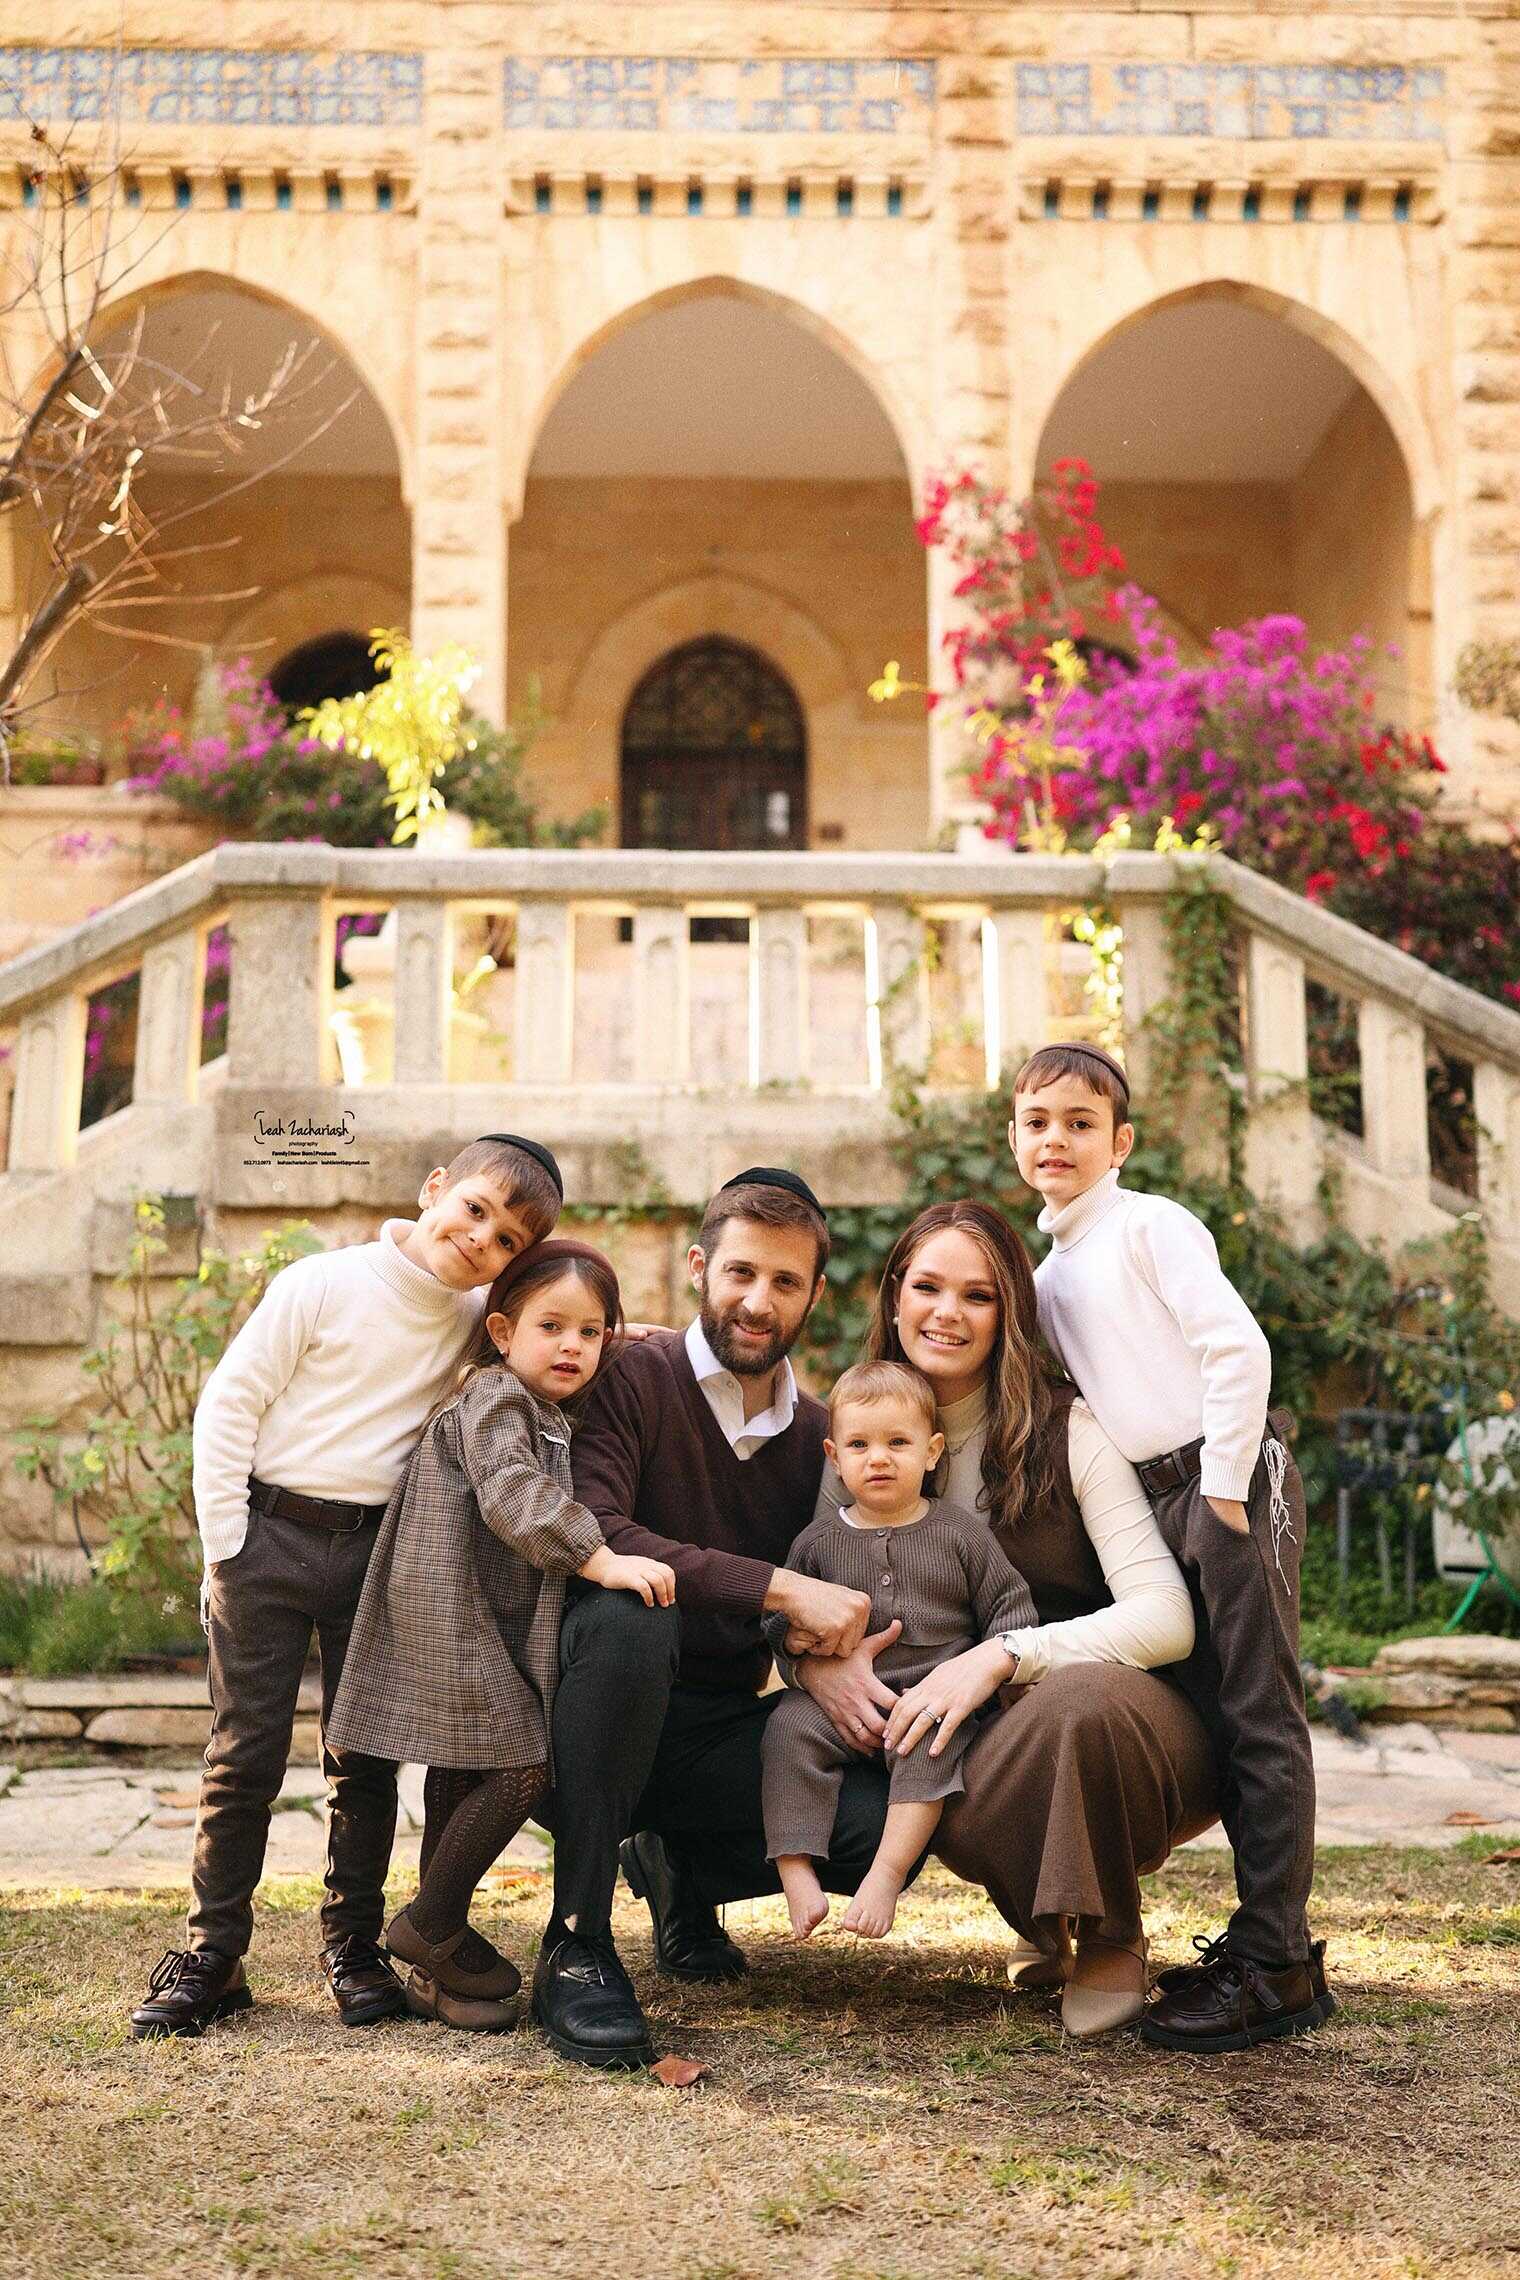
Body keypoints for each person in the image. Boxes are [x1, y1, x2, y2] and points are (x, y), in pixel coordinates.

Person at [129, 1134, 563, 2041]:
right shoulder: (322, 1283)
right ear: (435, 1188)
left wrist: (635, 1338)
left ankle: (353, 1949)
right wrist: (227, 1546)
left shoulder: (472, 1317)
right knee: (243, 1757)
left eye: (507, 1240)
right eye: (475, 1209)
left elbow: (550, 1327)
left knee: (362, 1761)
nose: (480, 1239)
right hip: (268, 1541)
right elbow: (231, 1402)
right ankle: (213, 1955)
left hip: (378, 1556)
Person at [800, 1198, 1203, 2034]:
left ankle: (1111, 1935)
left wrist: (999, 1655)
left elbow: (1167, 1617)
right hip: (971, 1730)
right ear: (895, 1297)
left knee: (1073, 1705)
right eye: (927, 1287)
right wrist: (816, 1667)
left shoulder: (1070, 1429)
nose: (947, 1312)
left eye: (978, 1296)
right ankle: (1038, 1909)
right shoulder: (861, 1434)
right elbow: (818, 1594)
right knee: (921, 1744)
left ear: (1008, 1313)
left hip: (1129, 1722)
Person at [1010, 1039, 1333, 2051]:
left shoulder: (1148, 1224)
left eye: (1080, 1123)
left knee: (1259, 1709)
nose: (1056, 1139)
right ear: (1013, 1138)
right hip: (1154, 1501)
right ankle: (1252, 1943)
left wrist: (1225, 1491)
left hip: (1227, 1479)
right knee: (1211, 1715)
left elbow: (1236, 1347)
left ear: (1120, 1143)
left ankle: (1276, 1962)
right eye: (1036, 1122)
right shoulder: (1046, 1276)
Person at [530, 1167, 875, 2069]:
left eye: (785, 1281)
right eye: (740, 1273)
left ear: (815, 1294)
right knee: (634, 1603)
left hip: (712, 1733)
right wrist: (778, 1589)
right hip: (586, 1721)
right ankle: (577, 1940)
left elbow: (828, 1589)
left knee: (878, 1817)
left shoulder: (823, 1439)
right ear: (698, 1268)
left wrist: (819, 1655)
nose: (759, 1302)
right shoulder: (626, 1375)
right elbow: (595, 1527)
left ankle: (679, 1865)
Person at [326, 1239, 675, 2031]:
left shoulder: (537, 1397)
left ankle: (438, 1971)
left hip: (479, 1607)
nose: (573, 1346)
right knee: (521, 1763)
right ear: (502, 1331)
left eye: (591, 1333)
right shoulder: (496, 1398)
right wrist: (599, 1558)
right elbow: (512, 1490)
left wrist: (637, 1339)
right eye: (552, 1327)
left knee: (463, 1767)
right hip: (448, 1606)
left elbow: (584, 1345)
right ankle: (429, 1922)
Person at [762, 1359, 1035, 1942]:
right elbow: (779, 1627)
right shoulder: (817, 1543)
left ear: (932, 1452)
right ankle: (795, 1868)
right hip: (840, 1707)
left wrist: (1001, 1679)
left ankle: (885, 1875)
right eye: (859, 1445)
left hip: (931, 1699)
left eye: (898, 1443)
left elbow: (1009, 1608)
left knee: (929, 1743)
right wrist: (794, 1641)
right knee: (787, 1727)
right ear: (835, 1457)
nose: (878, 1458)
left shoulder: (960, 1534)